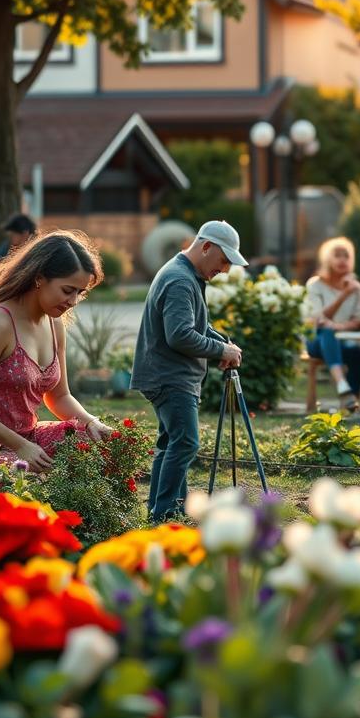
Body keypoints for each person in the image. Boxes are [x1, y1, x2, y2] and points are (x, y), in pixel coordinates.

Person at [0, 232, 112, 497]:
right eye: (67, 290)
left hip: (26, 440)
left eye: (80, 293)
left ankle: (84, 520)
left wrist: (91, 422)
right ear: (39, 278)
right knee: (29, 480)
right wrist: (20, 446)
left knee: (93, 443)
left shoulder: (55, 324)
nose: (73, 301)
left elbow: (59, 396)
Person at [131, 220, 245, 524]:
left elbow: (196, 325)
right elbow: (180, 335)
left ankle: (164, 509)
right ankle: (165, 513)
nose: (225, 270)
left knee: (171, 443)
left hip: (165, 374)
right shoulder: (180, 280)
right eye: (224, 260)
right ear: (206, 247)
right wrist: (221, 351)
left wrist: (223, 344)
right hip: (170, 377)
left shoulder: (183, 273)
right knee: (185, 443)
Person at [304, 237, 360, 411]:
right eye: (337, 255)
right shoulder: (315, 285)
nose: (342, 260)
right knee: (326, 331)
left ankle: (350, 399)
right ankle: (342, 385)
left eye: (346, 256)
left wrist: (338, 326)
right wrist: (344, 295)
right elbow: (319, 319)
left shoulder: (357, 288)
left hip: (343, 341)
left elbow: (359, 321)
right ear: (327, 259)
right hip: (316, 340)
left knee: (358, 352)